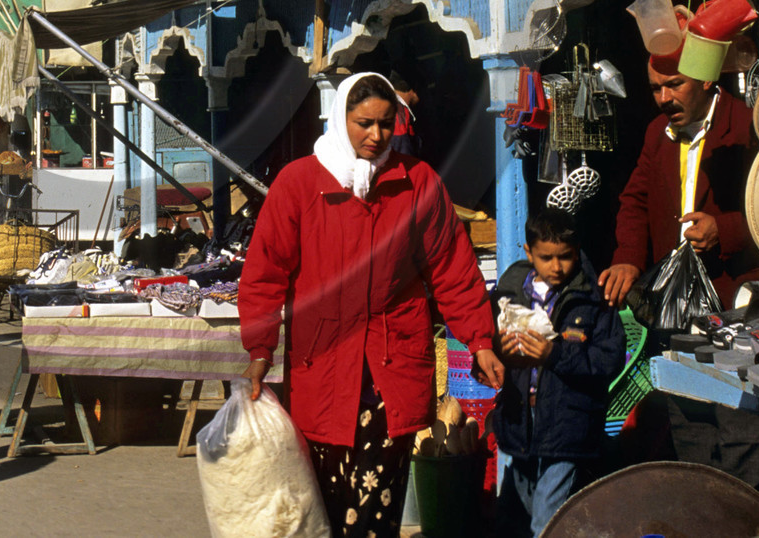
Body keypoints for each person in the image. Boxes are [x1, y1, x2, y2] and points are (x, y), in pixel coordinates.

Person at [238, 72, 502, 538]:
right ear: (341, 119)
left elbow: (453, 270)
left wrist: (480, 341)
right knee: (321, 501)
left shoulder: (417, 183)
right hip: (320, 366)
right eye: (364, 123)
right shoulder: (298, 184)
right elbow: (264, 275)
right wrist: (260, 350)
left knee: (377, 503)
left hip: (391, 368)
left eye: (386, 123)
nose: (376, 135)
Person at [599, 57, 759, 488]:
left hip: (736, 306)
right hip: (679, 313)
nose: (663, 98)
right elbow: (635, 201)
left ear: (706, 78)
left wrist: (726, 230)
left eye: (674, 85)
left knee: (740, 425)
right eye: (656, 87)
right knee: (691, 424)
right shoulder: (658, 135)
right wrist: (627, 257)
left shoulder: (748, 129)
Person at [491, 207, 625, 538]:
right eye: (546, 257)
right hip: (521, 421)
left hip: (569, 426)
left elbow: (609, 360)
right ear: (528, 252)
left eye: (565, 257)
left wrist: (556, 355)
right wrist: (500, 350)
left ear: (577, 251)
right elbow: (486, 342)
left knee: (546, 521)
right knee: (520, 516)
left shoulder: (594, 299)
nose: (556, 267)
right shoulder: (510, 292)